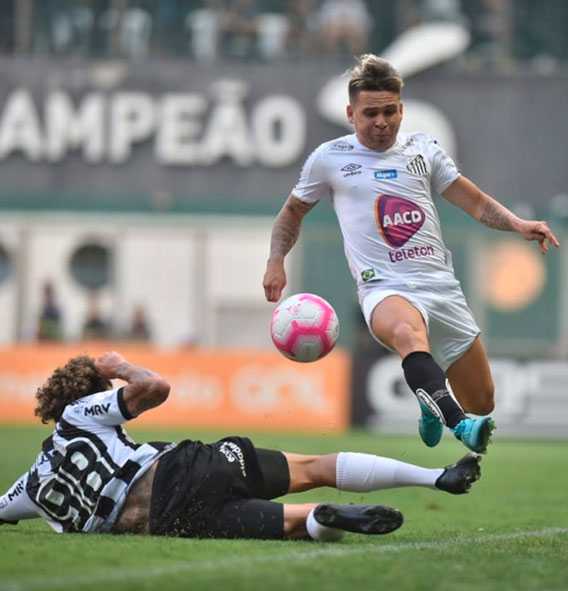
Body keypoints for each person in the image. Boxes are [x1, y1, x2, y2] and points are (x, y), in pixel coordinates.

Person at [262, 54, 559, 454]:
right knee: (408, 334)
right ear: (350, 114)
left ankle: (431, 400)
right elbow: (292, 212)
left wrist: (517, 225)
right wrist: (276, 260)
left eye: (389, 112)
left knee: (483, 400)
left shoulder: (423, 151)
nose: (381, 122)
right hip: (383, 287)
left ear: (402, 109)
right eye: (370, 114)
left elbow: (475, 203)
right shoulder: (329, 158)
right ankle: (459, 424)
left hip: (441, 287)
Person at [0, 352, 481, 541]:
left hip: (166, 522)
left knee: (289, 525)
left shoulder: (33, 483)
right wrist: (121, 367)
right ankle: (436, 477)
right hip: (183, 469)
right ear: (90, 394)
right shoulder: (81, 413)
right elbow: (155, 387)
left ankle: (320, 519)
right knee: (311, 466)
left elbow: (3, 509)